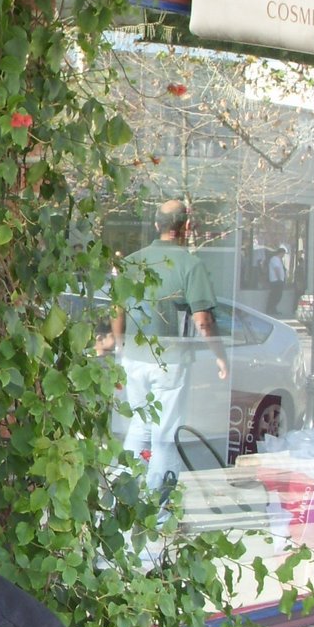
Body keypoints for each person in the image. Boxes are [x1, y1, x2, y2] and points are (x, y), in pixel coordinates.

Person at [110, 199, 229, 496]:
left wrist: (121, 348)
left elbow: (116, 310)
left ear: (156, 225)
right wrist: (220, 356)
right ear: (186, 226)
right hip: (171, 361)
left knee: (140, 425)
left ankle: (123, 496)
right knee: (165, 434)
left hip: (135, 358)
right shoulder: (190, 264)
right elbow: (203, 321)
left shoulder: (131, 263)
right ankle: (157, 505)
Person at [266, 245, 288, 316]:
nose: (284, 255)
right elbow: (276, 269)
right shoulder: (274, 259)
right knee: (275, 295)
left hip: (278, 280)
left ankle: (273, 309)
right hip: (276, 281)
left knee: (277, 296)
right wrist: (279, 279)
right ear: (281, 253)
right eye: (283, 254)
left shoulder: (279, 260)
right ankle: (270, 309)